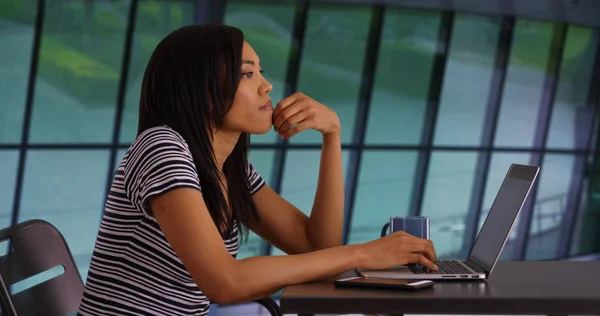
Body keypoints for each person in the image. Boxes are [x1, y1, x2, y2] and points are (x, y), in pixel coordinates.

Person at [77, 24, 437, 316]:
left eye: (259, 72)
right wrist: (363, 254)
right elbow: (224, 283)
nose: (267, 86)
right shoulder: (161, 148)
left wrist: (332, 135)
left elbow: (317, 246)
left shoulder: (231, 168)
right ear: (201, 88)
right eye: (247, 74)